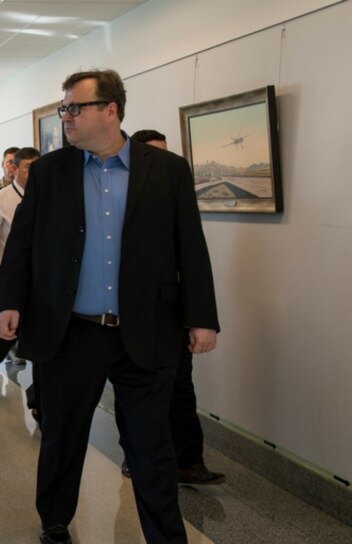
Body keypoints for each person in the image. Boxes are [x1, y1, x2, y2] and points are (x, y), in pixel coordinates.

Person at [0, 70, 219, 544]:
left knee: (151, 447)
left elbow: (190, 248)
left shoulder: (168, 171)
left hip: (147, 329)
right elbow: (23, 246)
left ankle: (165, 535)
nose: (66, 117)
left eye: (76, 107)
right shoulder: (51, 172)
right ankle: (54, 522)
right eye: (64, 108)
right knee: (63, 438)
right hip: (71, 332)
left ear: (110, 109)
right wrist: (10, 302)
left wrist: (202, 317)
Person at [113, 129, 225, 486]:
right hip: (127, 314)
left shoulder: (173, 187)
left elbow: (193, 255)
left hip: (169, 310)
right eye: (154, 155)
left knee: (180, 388)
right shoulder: (120, 201)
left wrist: (201, 318)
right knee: (133, 392)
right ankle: (135, 454)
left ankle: (190, 460)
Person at [0, 147, 40, 399]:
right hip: (8, 276)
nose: (33, 173)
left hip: (40, 279)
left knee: (38, 335)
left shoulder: (47, 197)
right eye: (28, 168)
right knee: (6, 333)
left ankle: (36, 396)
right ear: (14, 169)